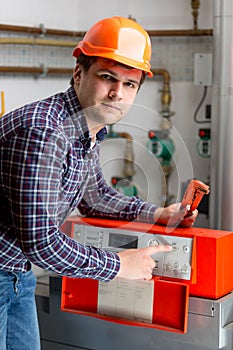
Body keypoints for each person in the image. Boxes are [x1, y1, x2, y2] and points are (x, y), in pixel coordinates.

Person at [0, 16, 198, 349]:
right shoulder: (45, 132)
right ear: (79, 74)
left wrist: (158, 213)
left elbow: (96, 196)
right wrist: (119, 265)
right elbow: (41, 242)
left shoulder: (85, 129)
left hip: (17, 273)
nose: (116, 93)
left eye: (129, 84)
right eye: (107, 77)